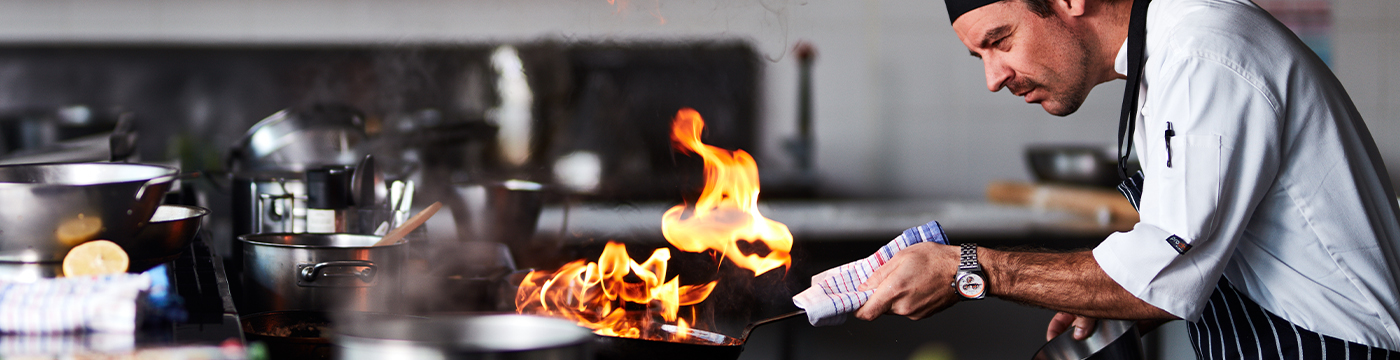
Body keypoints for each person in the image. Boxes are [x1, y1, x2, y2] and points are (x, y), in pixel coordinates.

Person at [851, 0, 1400, 357]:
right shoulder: (1161, 62)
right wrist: (1098, 295)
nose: (994, 78)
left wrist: (969, 269)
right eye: (979, 58)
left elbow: (1161, 275)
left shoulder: (1202, 54)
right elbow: (1197, 251)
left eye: (1000, 41)